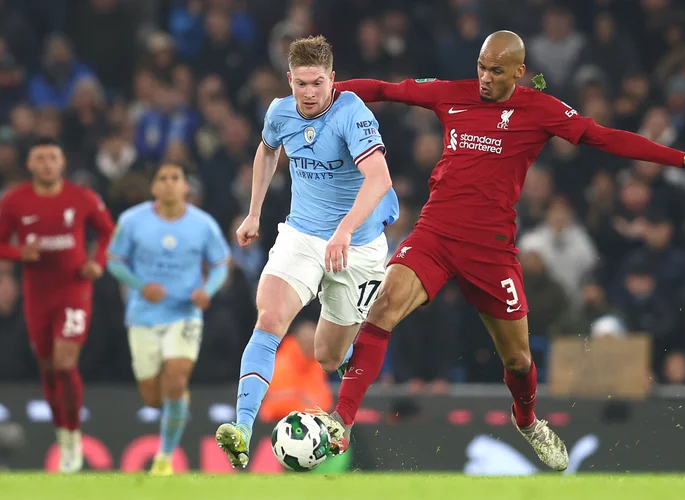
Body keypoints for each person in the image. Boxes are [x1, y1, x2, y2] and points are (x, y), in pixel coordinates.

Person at [318, 30, 685, 471]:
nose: (484, 78)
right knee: (382, 307)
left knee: (518, 359)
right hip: (434, 235)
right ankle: (340, 421)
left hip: (491, 250)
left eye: (495, 71)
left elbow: (604, 137)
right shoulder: (452, 95)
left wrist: (681, 158)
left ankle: (528, 419)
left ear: (519, 71)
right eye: (481, 67)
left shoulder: (539, 109)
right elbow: (386, 90)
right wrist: (325, 90)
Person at [214, 35, 398, 468]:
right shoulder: (279, 112)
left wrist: (345, 231)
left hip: (358, 246)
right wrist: (254, 212)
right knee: (270, 318)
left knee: (327, 356)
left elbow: (380, 179)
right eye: (301, 84)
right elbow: (266, 149)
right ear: (289, 80)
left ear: (332, 79)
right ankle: (240, 428)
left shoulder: (352, 112)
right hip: (301, 235)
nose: (310, 93)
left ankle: (355, 381)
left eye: (318, 83)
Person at [0, 137, 115, 473]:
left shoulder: (81, 198)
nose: (47, 163)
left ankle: (74, 436)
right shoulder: (15, 202)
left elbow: (108, 233)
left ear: (62, 162)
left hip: (74, 291)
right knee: (49, 369)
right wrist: (21, 254)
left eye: (53, 157)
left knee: (65, 364)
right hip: (38, 295)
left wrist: (98, 262)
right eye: (41, 158)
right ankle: (63, 435)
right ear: (31, 165)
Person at [107, 163, 230, 476]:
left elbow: (220, 263)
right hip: (143, 315)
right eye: (163, 178)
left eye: (176, 178)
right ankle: (176, 403)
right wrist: (140, 286)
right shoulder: (132, 221)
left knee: (175, 379)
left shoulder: (203, 225)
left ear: (185, 187)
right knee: (152, 398)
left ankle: (164, 457)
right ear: (154, 188)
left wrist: (208, 289)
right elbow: (114, 260)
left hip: (184, 313)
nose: (170, 183)